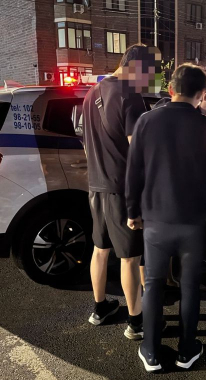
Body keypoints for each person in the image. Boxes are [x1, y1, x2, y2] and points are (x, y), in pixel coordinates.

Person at [126, 64, 206, 372]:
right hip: (193, 220)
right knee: (190, 286)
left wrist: (132, 212)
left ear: (171, 89)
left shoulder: (146, 121)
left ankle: (150, 352)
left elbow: (133, 173)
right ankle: (187, 352)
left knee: (154, 284)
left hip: (155, 218)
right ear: (201, 94)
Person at [82, 44, 161, 340]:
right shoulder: (129, 94)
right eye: (150, 72)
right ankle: (136, 322)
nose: (150, 78)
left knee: (99, 250)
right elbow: (137, 150)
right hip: (122, 189)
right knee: (131, 257)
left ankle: (100, 308)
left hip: (96, 186)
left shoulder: (92, 93)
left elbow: (86, 143)